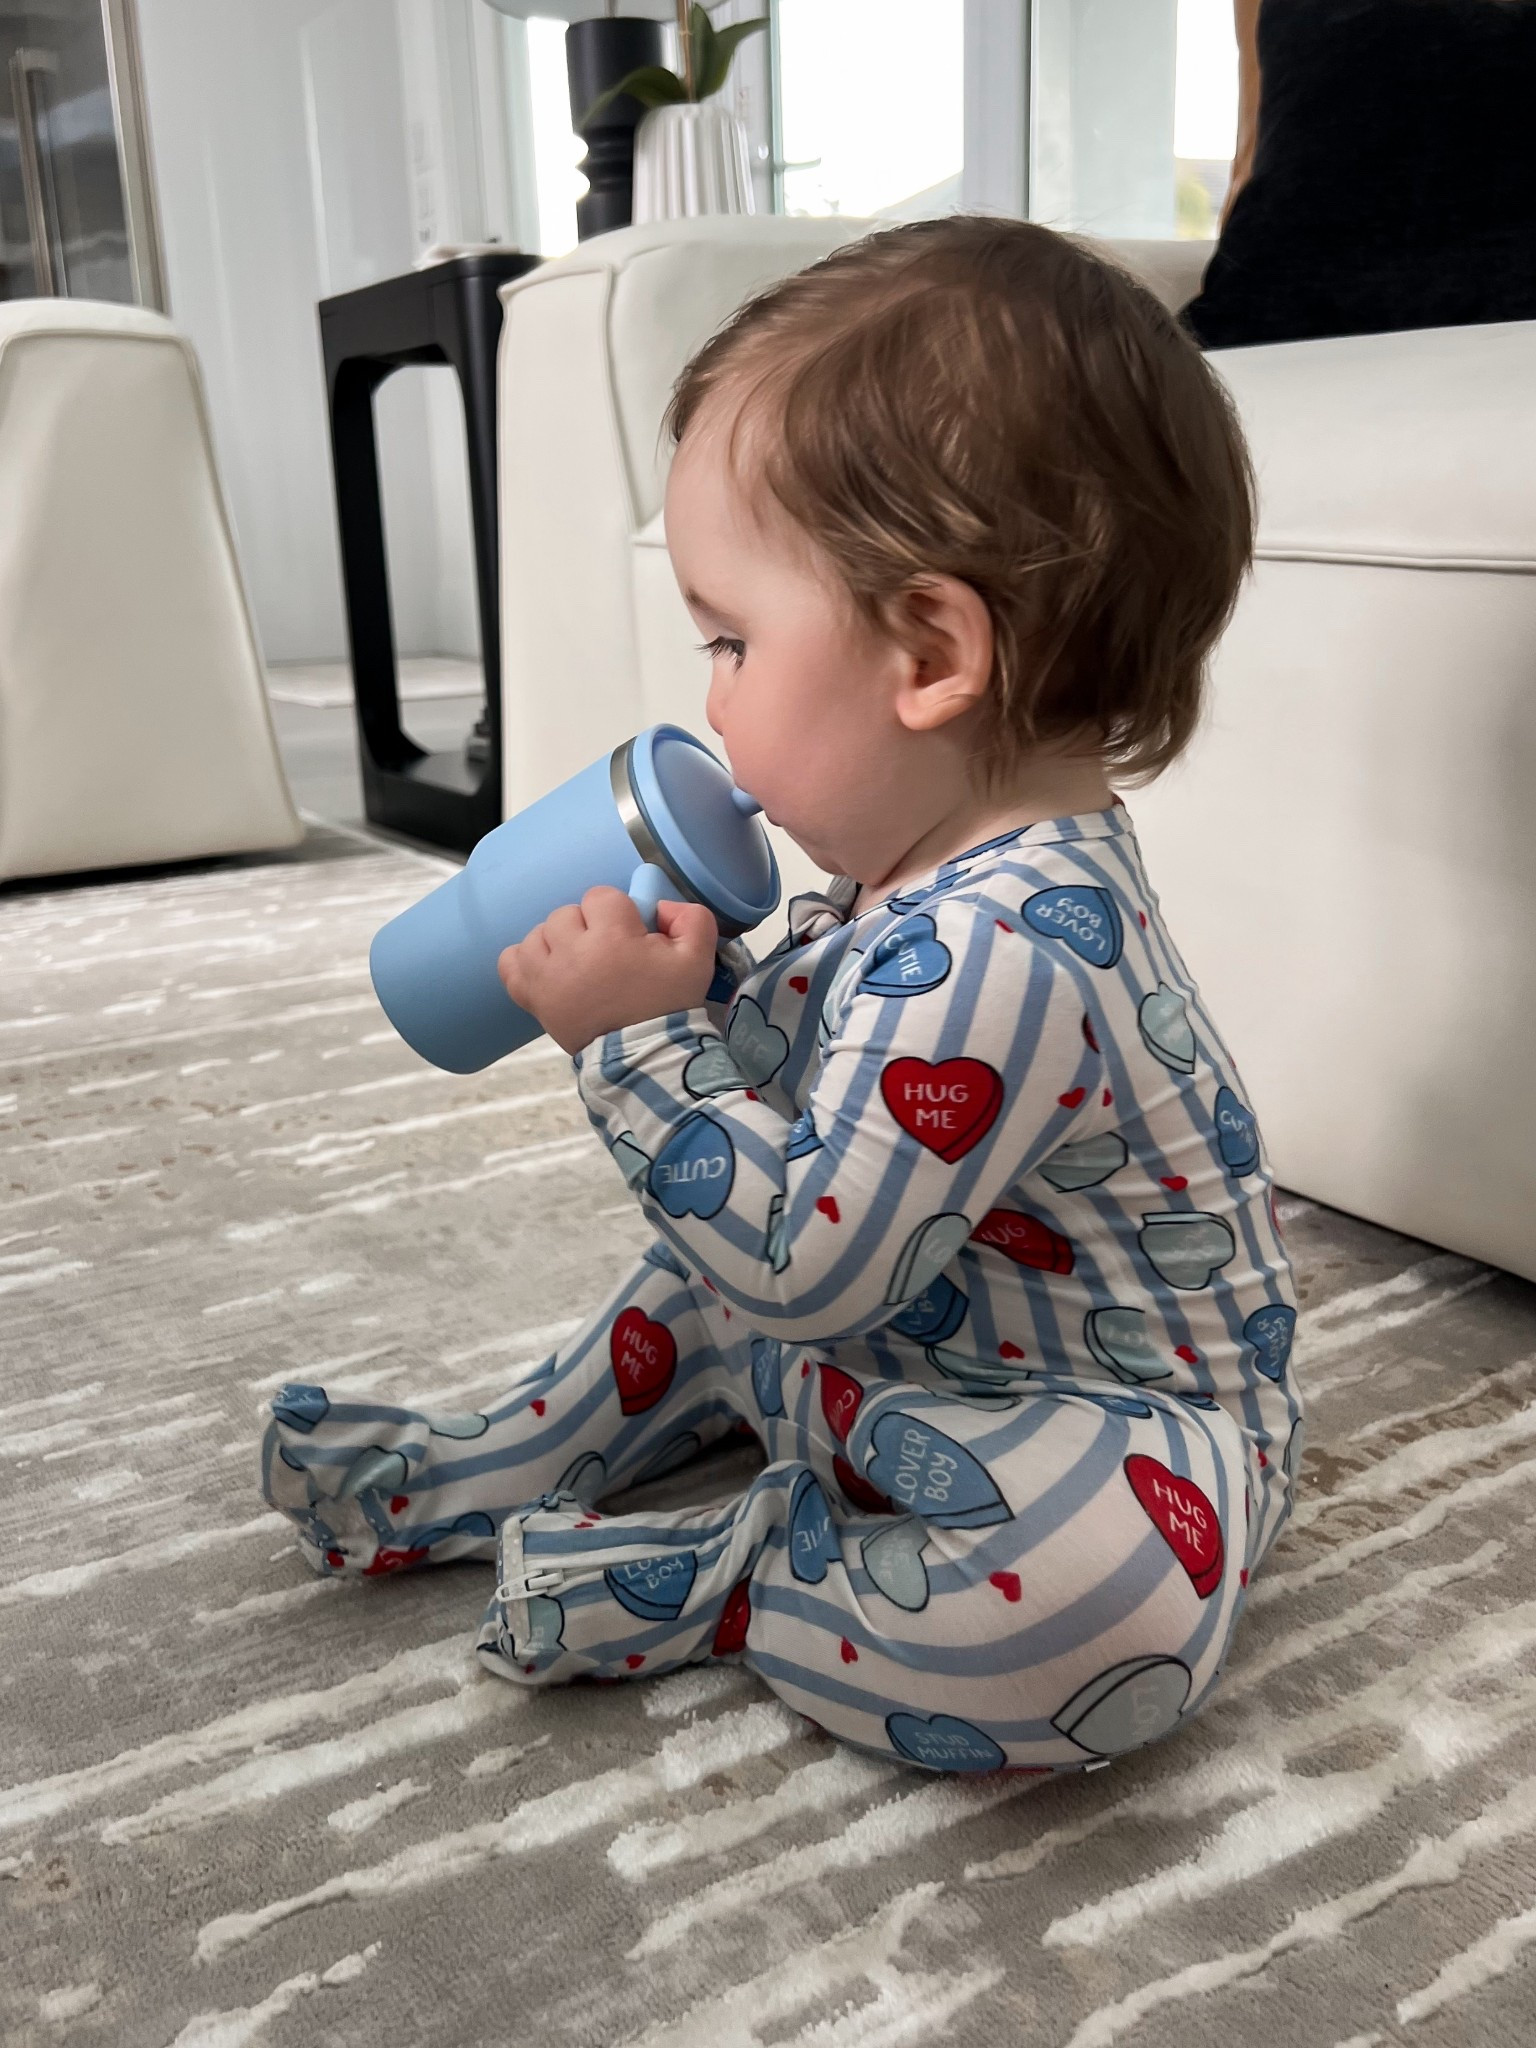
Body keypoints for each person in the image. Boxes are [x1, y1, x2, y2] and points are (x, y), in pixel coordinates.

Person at [260, 216, 1303, 1778]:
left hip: (1088, 1426)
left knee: (1112, 1608)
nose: (710, 695)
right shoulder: (912, 874)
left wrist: (636, 1039)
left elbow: (810, 1265)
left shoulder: (1016, 944)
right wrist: (706, 988)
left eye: (733, 641)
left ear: (930, 652)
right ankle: (486, 1462)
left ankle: (743, 1574)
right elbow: (817, 1126)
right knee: (695, 1275)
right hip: (914, 1344)